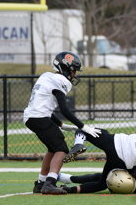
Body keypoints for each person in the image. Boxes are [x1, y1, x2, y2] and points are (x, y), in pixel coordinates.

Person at [23, 51, 101, 195]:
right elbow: (64, 110)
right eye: (73, 70)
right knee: (62, 149)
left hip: (32, 117)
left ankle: (41, 183)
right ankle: (50, 183)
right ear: (65, 68)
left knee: (53, 149)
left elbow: (44, 107)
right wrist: (83, 126)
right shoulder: (60, 81)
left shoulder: (46, 76)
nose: (74, 74)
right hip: (40, 118)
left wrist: (61, 125)